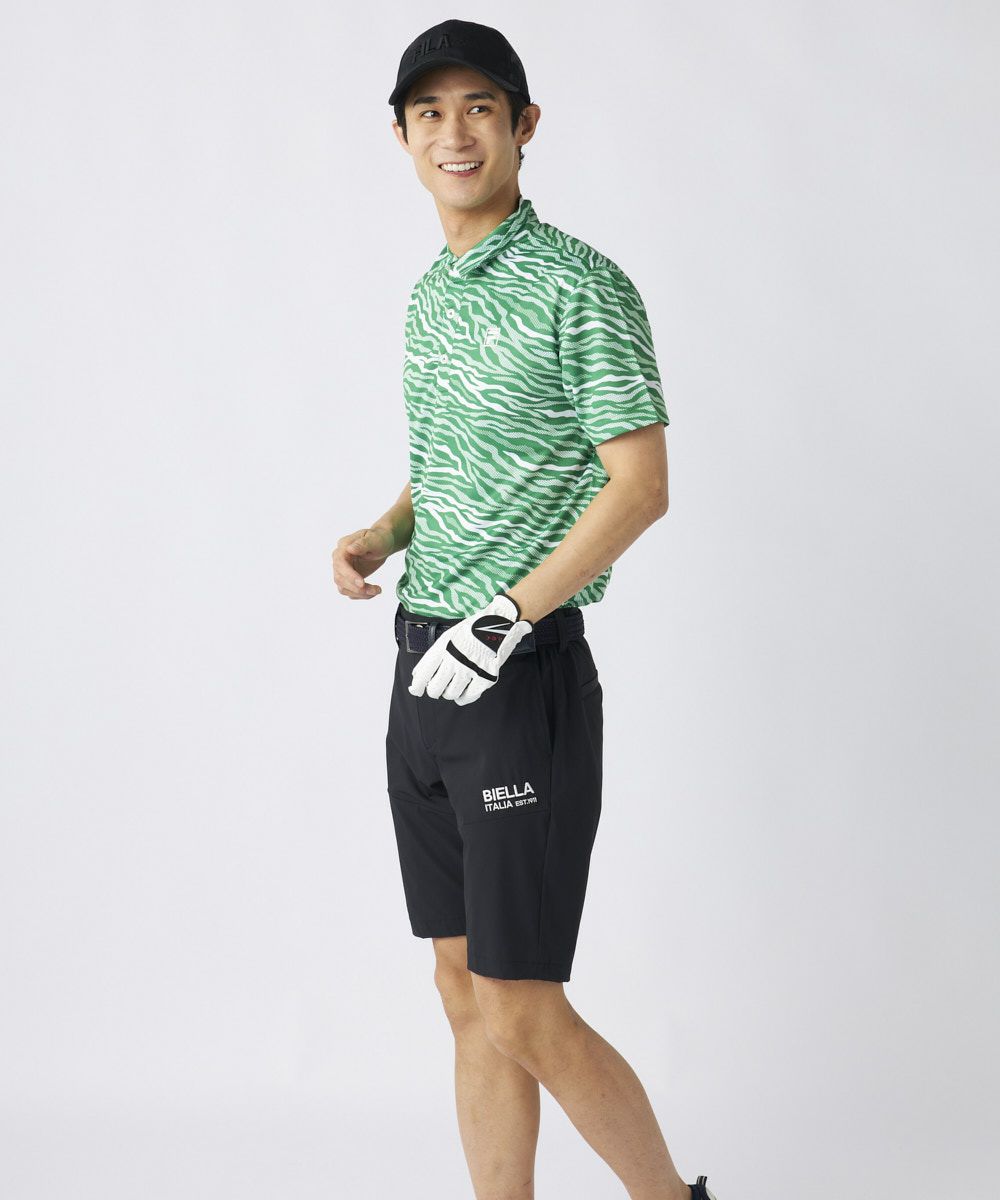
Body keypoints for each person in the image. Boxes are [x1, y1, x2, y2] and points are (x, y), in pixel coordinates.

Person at [332, 19, 718, 1200]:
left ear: (522, 126)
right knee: (462, 993)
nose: (454, 133)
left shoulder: (579, 286)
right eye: (430, 112)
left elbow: (638, 484)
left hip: (515, 676)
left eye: (479, 109)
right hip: (419, 670)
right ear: (401, 135)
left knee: (521, 1006)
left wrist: (503, 618)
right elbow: (453, 461)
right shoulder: (430, 295)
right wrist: (384, 532)